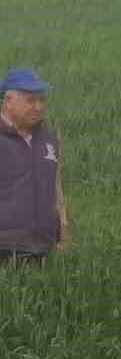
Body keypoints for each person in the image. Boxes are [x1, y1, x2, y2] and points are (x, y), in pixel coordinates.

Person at [0, 67, 68, 262]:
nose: (38, 107)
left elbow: (56, 187)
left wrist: (64, 231)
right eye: (30, 101)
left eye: (41, 100)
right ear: (8, 101)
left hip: (43, 248)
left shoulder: (50, 138)